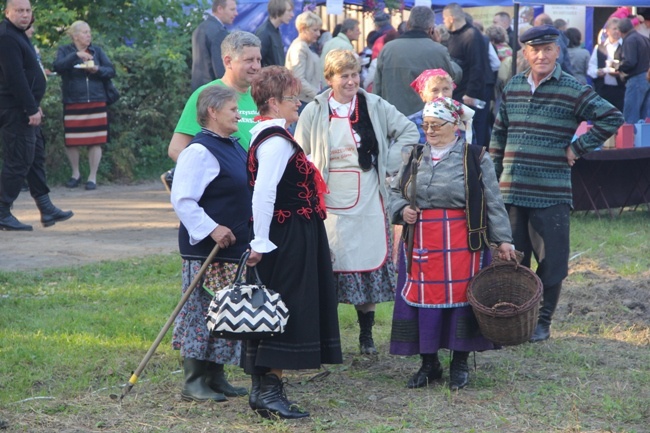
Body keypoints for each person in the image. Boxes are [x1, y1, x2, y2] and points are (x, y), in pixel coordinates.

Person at [490, 25, 624, 343]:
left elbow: (612, 117)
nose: (541, 55)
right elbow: (498, 134)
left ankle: (542, 322)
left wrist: (576, 148)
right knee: (512, 260)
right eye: (535, 50)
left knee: (553, 261)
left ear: (557, 51)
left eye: (548, 48)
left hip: (551, 190)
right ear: (525, 53)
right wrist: (493, 181)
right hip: (512, 188)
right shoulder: (513, 87)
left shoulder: (572, 88)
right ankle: (514, 319)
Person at [295, 49, 419, 355]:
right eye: (344, 76)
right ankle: (327, 339)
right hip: (329, 200)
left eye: (354, 74)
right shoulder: (314, 109)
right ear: (329, 78)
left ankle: (366, 336)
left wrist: (385, 161)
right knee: (329, 267)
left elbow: (408, 130)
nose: (351, 81)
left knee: (366, 264)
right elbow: (299, 151)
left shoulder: (373, 105)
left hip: (367, 197)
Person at [389, 97, 515, 390]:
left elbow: (493, 201)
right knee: (424, 303)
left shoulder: (474, 156)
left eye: (436, 125)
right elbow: (395, 192)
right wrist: (402, 209)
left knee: (462, 301)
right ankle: (429, 364)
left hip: (463, 242)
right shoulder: (414, 155)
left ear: (456, 125)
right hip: (420, 241)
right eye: (426, 125)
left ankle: (459, 363)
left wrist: (504, 240)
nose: (429, 131)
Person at [244, 66, 342, 419]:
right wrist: (260, 241)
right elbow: (264, 193)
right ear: (272, 102)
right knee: (285, 307)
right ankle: (269, 390)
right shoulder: (275, 142)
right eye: (291, 98)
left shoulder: (272, 137)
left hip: (288, 232)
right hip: (288, 235)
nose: (297, 103)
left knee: (272, 307)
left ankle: (263, 390)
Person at [170, 85, 250, 403]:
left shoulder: (233, 145)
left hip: (233, 249)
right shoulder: (199, 151)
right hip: (207, 249)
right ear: (213, 112)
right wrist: (212, 228)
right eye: (233, 109)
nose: (238, 114)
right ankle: (193, 381)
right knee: (200, 311)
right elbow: (183, 199)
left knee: (225, 312)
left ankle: (217, 375)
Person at [0, 0, 73, 231]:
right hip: (15, 110)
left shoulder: (18, 34)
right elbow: (14, 77)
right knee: (19, 159)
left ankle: (45, 205)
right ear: (7, 12)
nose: (24, 15)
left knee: (35, 155)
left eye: (27, 10)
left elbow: (29, 74)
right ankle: (2, 210)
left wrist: (34, 104)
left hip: (26, 107)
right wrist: (29, 108)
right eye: (19, 11)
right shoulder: (6, 36)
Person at [168, 31, 261, 164]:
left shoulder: (262, 95)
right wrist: (214, 176)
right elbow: (176, 149)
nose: (256, 66)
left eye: (258, 60)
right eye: (249, 60)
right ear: (228, 61)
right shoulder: (207, 94)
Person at [53, 21, 116, 191]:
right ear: (75, 35)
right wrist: (76, 56)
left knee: (96, 140)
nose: (89, 35)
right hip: (73, 99)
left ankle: (92, 177)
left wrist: (97, 69)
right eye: (85, 32)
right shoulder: (65, 51)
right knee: (72, 140)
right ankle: (75, 174)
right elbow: (57, 67)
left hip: (96, 99)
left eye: (89, 32)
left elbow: (111, 71)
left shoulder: (97, 51)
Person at [374, 6, 458, 116]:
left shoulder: (387, 49)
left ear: (408, 25)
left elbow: (377, 87)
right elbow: (454, 76)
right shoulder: (438, 50)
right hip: (428, 120)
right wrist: (440, 44)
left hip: (393, 120)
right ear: (431, 29)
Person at [443, 4, 491, 146]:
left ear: (451, 19)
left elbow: (478, 66)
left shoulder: (472, 35)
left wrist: (471, 93)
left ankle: (475, 163)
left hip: (470, 95)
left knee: (474, 131)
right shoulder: (453, 36)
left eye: (444, 18)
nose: (443, 22)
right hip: (458, 93)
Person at [190, 0, 239, 91]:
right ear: (220, 9)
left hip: (198, 88)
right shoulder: (219, 32)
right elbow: (221, 68)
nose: (236, 13)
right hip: (213, 91)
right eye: (232, 9)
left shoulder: (200, 28)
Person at [285, 11, 322, 110]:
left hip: (305, 101)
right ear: (303, 29)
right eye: (315, 30)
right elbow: (298, 79)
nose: (318, 34)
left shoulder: (303, 46)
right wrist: (319, 94)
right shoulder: (299, 47)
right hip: (302, 102)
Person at [587, 18, 625, 112]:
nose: (617, 31)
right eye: (614, 29)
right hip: (603, 90)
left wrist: (619, 72)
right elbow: (591, 67)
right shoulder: (599, 47)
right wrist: (597, 72)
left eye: (619, 29)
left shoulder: (625, 46)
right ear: (607, 31)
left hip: (620, 90)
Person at [617, 18, 650, 124]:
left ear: (620, 31)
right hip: (647, 78)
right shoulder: (644, 38)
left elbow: (630, 62)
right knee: (645, 116)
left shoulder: (630, 39)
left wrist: (618, 66)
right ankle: (644, 140)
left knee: (631, 115)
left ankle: (630, 140)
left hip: (636, 79)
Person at [255, 0, 294, 67]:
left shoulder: (276, 31)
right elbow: (257, 61)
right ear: (278, 10)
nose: (292, 15)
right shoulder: (264, 33)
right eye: (289, 10)